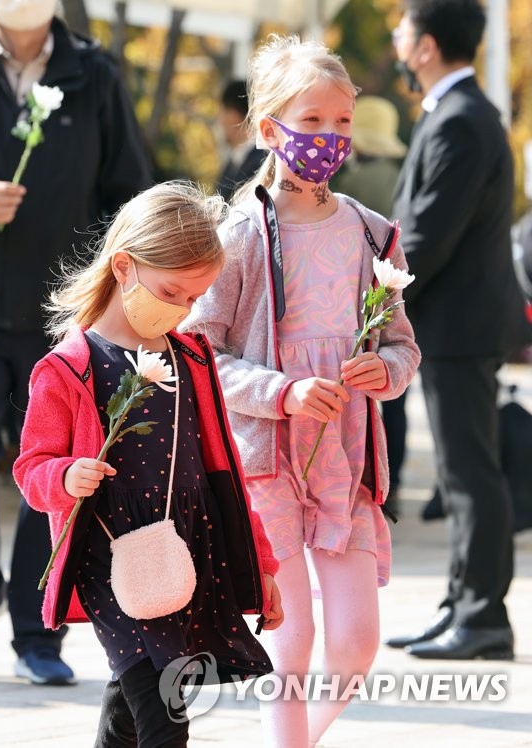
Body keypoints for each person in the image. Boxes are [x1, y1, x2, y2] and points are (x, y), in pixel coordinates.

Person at [187, 36, 420, 747]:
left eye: (342, 122)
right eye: (311, 120)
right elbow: (200, 354)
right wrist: (280, 393)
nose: (330, 137)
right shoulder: (238, 238)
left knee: (354, 646)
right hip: (267, 460)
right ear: (268, 129)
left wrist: (389, 371)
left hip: (344, 458)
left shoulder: (374, 235)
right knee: (291, 643)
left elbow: (404, 344)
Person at [0, 0, 152, 685]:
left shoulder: (96, 76)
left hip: (61, 316)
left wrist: (112, 299)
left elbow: (128, 195)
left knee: (49, 471)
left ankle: (38, 629)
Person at [14, 180, 284, 746]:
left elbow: (224, 470)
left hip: (189, 547)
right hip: (111, 557)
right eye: (173, 291)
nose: (184, 308)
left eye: (195, 297)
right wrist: (64, 476)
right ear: (124, 267)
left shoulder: (192, 356)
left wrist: (261, 565)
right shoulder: (68, 368)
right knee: (165, 708)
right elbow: (31, 468)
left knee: (133, 705)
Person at [385, 0, 527, 660]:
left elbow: (426, 233)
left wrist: (372, 295)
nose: (395, 34)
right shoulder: (459, 112)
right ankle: (462, 604)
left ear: (427, 45)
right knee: (462, 472)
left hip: (459, 323)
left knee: (470, 474)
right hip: (459, 321)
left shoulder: (461, 119)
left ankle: (483, 616)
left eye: (404, 26)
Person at [332, 95, 409, 512]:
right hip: (390, 288)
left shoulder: (356, 185)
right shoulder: (398, 174)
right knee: (392, 397)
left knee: (365, 392)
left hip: (359, 294)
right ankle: (389, 482)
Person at [215, 80, 268, 203]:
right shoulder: (234, 161)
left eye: (222, 112)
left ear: (233, 115)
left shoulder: (260, 164)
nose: (219, 120)